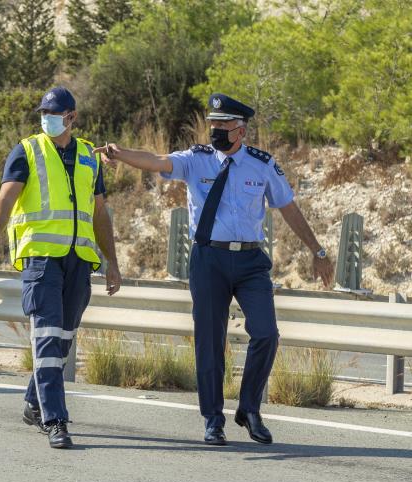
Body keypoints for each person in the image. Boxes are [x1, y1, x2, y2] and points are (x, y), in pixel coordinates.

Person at [97, 94, 334, 446]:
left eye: (223, 126)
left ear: (241, 130)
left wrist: (318, 250)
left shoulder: (262, 164)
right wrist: (121, 154)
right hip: (209, 259)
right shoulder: (197, 160)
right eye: (213, 125)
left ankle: (249, 408)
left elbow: (289, 209)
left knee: (267, 333)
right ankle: (212, 419)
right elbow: (157, 161)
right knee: (209, 341)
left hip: (251, 261)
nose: (215, 132)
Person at [0, 86, 122, 449]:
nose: (48, 117)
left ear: (71, 117)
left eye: (55, 112)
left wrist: (112, 262)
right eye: (44, 112)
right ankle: (56, 420)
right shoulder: (27, 150)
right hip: (41, 259)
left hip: (79, 260)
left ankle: (34, 401)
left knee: (61, 341)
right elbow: (6, 195)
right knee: (46, 335)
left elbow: (99, 213)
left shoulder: (90, 157)